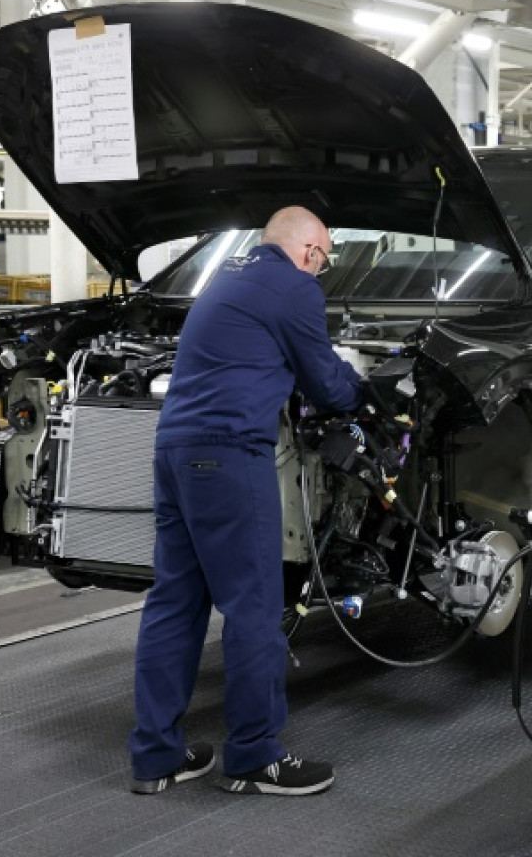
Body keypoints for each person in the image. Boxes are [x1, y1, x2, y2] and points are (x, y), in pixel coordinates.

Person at [128, 206, 362, 797]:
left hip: (174, 452)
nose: (322, 270)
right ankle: (256, 756)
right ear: (309, 252)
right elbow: (326, 384)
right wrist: (372, 389)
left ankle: (156, 757)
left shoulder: (226, 277)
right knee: (254, 606)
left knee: (174, 603)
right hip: (228, 457)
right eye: (325, 259)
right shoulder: (293, 288)